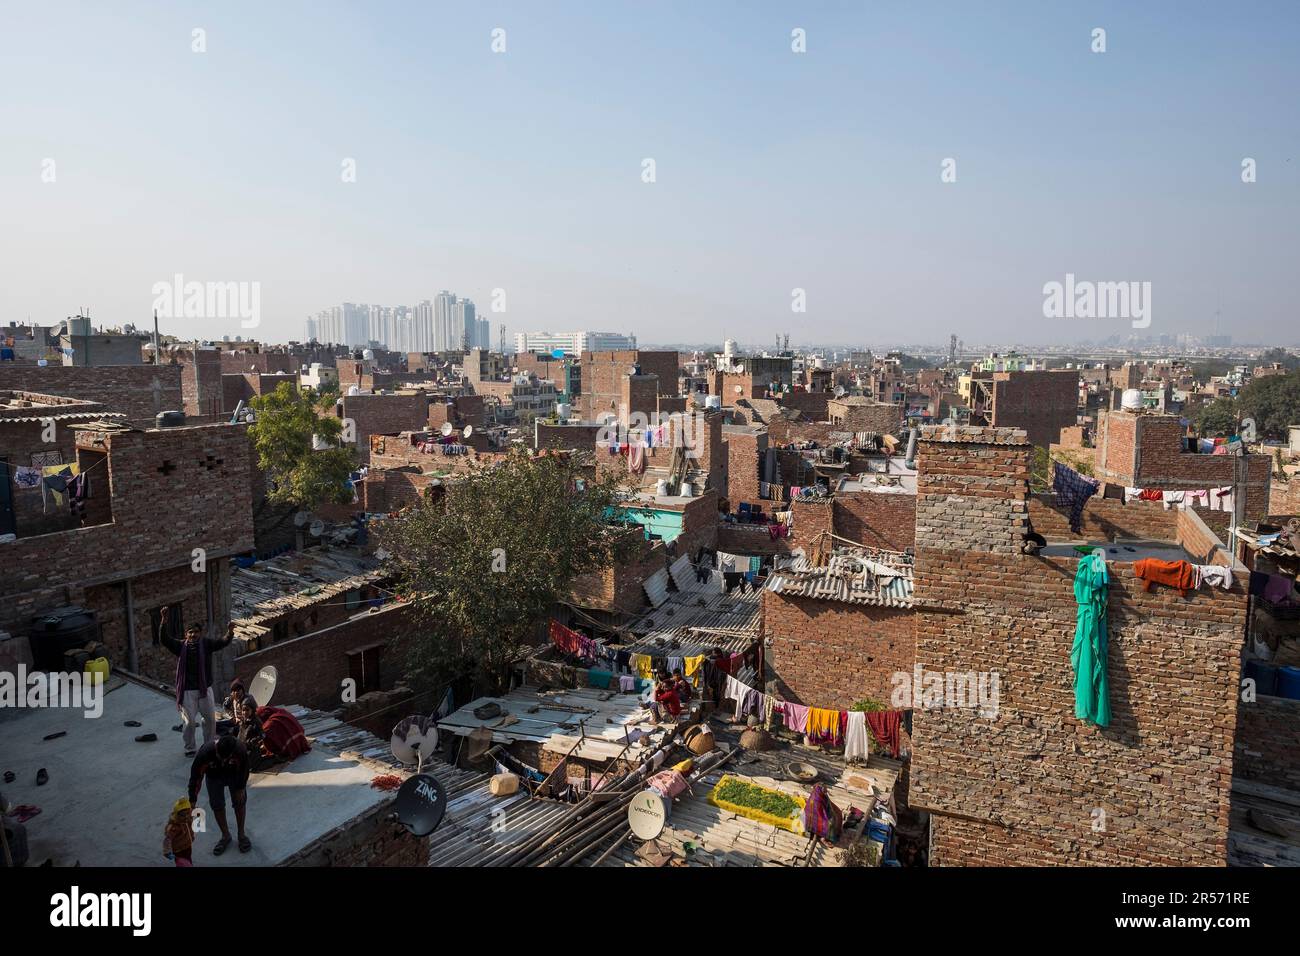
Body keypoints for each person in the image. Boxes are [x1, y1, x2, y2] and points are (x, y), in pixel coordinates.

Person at [159, 609, 236, 757]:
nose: (193, 635)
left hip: (205, 689)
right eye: (190, 632)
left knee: (210, 720)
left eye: (195, 632)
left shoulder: (206, 644)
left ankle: (208, 745)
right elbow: (165, 640)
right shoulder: (181, 647)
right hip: (187, 691)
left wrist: (230, 632)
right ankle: (190, 748)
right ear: (186, 635)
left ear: (200, 633)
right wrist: (164, 621)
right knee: (189, 723)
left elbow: (221, 642)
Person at [187, 734, 251, 855]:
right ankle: (225, 836)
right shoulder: (205, 753)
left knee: (240, 801)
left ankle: (241, 835)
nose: (223, 761)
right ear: (216, 750)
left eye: (227, 759)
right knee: (217, 804)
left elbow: (244, 769)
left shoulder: (240, 749)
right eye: (220, 757)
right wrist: (192, 799)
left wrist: (241, 787)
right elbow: (196, 777)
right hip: (214, 776)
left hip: (234, 775)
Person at [162, 797, 195, 866]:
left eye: (188, 813)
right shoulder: (174, 827)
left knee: (188, 859)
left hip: (187, 845)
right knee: (182, 863)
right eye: (183, 815)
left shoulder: (188, 818)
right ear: (177, 815)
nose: (186, 816)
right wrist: (167, 851)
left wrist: (191, 836)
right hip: (178, 850)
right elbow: (167, 839)